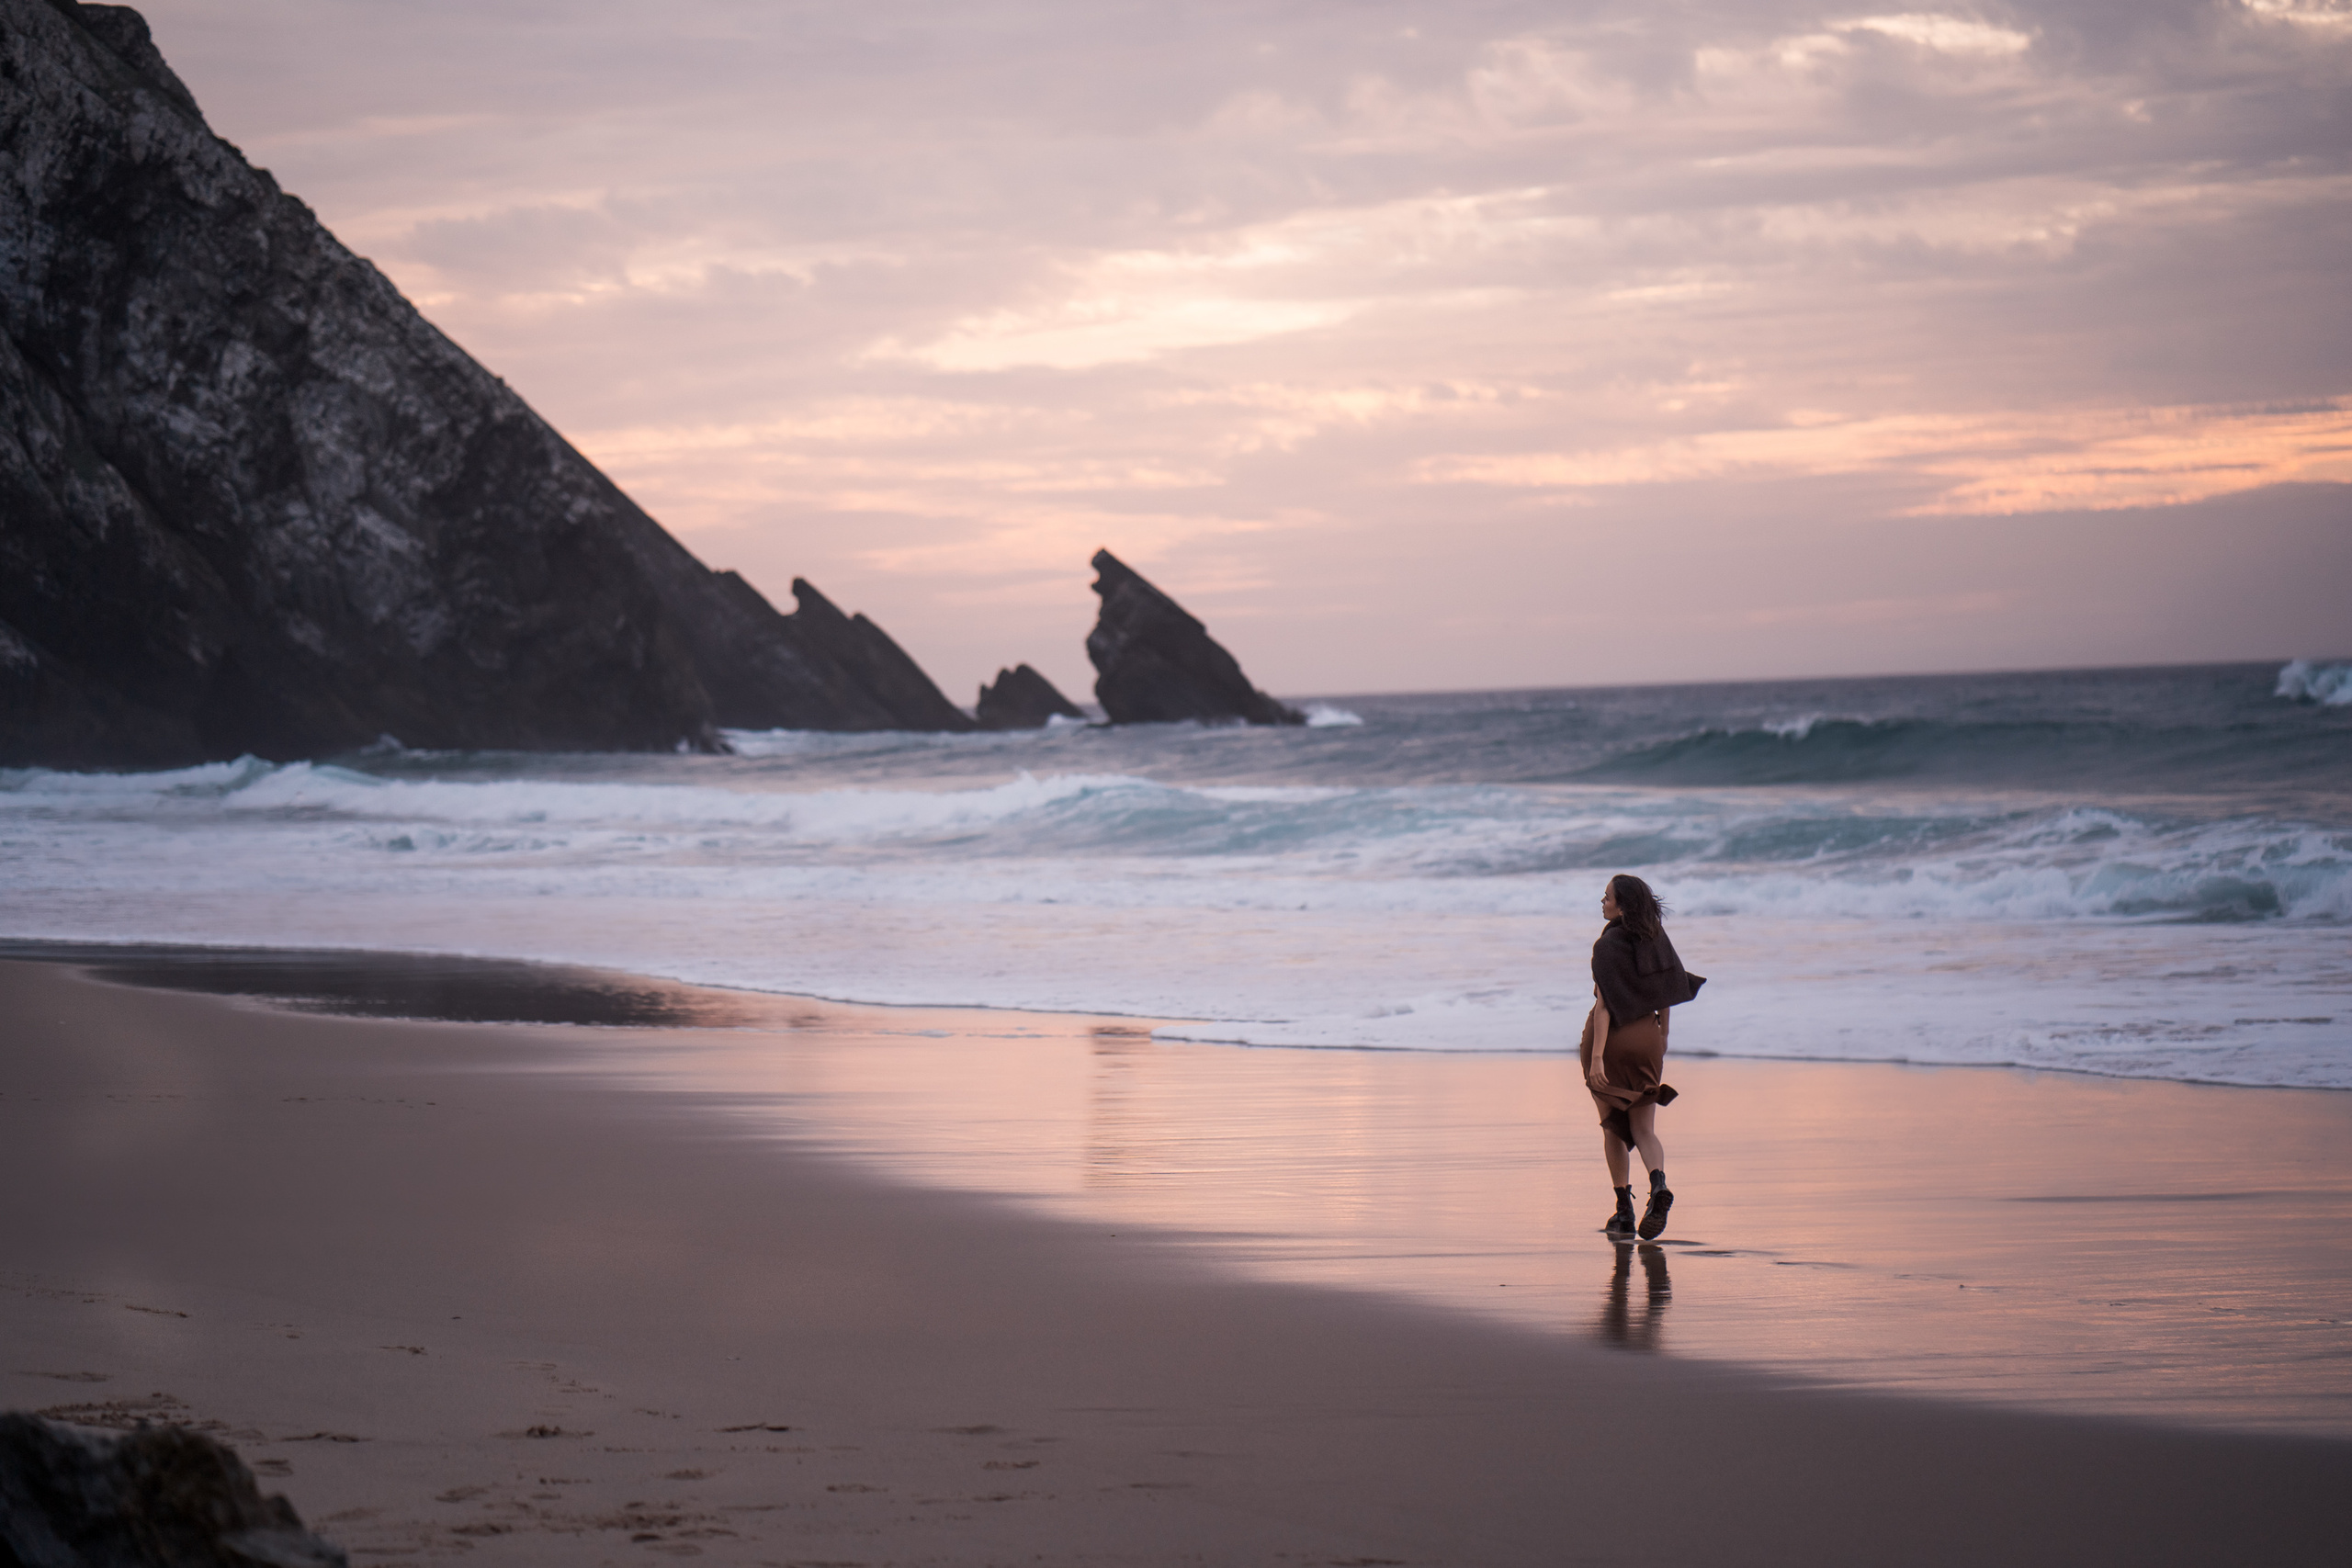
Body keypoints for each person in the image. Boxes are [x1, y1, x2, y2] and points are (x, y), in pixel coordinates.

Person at [1580, 874, 1704, 1241]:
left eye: (1607, 898)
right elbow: (1667, 989)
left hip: (1613, 1039)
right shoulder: (1655, 939)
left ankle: (1624, 1211)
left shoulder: (1607, 945)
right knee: (1645, 1128)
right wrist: (1662, 1035)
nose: (1602, 903)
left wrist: (1597, 1058)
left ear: (1622, 907)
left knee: (1612, 1126)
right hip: (1649, 1037)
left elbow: (1605, 1006)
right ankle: (1659, 1184)